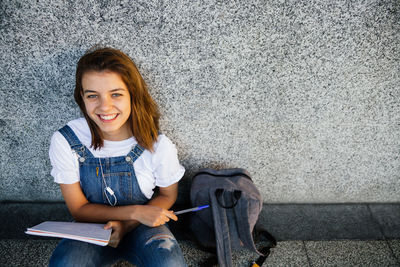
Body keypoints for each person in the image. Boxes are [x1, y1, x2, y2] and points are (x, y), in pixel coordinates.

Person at [48, 47, 187, 267]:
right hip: (93, 226)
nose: (105, 106)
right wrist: (134, 211)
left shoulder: (158, 145)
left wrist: (129, 222)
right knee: (66, 263)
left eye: (116, 94)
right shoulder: (67, 140)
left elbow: (168, 195)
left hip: (143, 225)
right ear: (81, 98)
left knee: (169, 262)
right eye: (93, 95)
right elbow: (79, 209)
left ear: (133, 94)